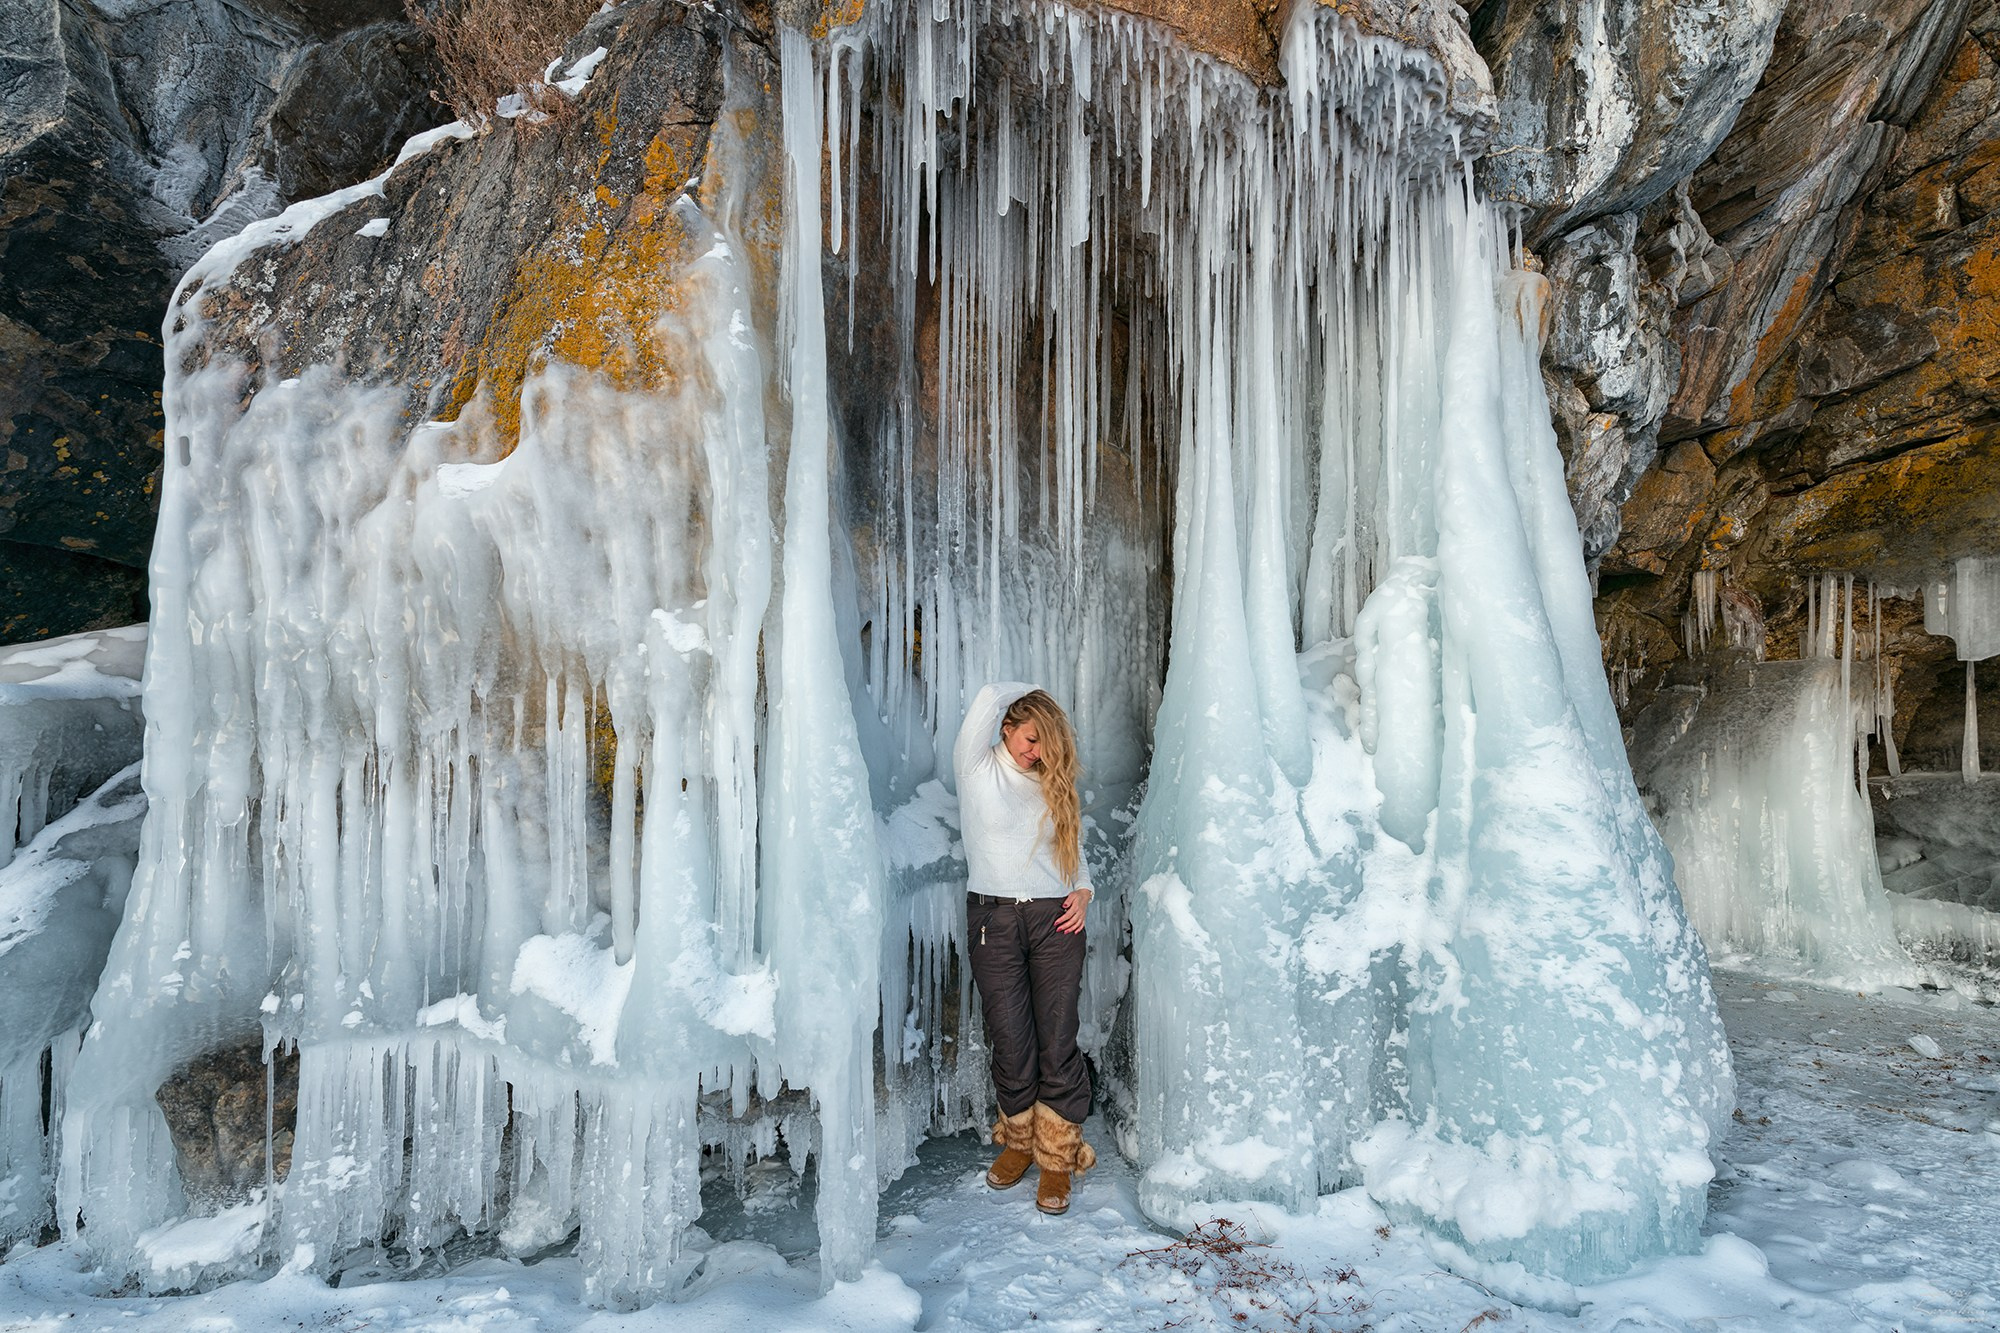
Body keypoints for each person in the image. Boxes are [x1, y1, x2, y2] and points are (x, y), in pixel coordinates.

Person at [954, 682, 1097, 1215]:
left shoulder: (1051, 783)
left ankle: (1056, 1157)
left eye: (1045, 744)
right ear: (1008, 728)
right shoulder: (977, 768)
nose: (1035, 752)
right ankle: (1017, 1143)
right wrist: (1034, 694)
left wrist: (1083, 892)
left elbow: (1073, 850)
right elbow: (988, 695)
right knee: (1011, 1037)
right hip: (992, 916)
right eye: (1030, 738)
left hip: (1054, 917)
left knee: (1057, 1036)